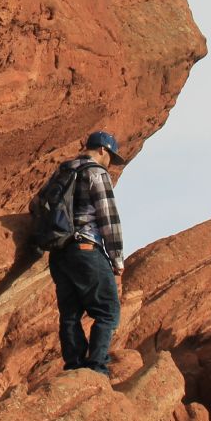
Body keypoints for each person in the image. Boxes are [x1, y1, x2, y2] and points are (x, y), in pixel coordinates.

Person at [47, 130, 125, 374]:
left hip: (59, 253)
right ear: (102, 150)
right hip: (86, 248)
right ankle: (96, 367)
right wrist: (117, 258)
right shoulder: (96, 173)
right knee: (108, 311)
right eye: (111, 155)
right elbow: (108, 217)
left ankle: (74, 366)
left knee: (70, 313)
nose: (110, 161)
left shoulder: (64, 171)